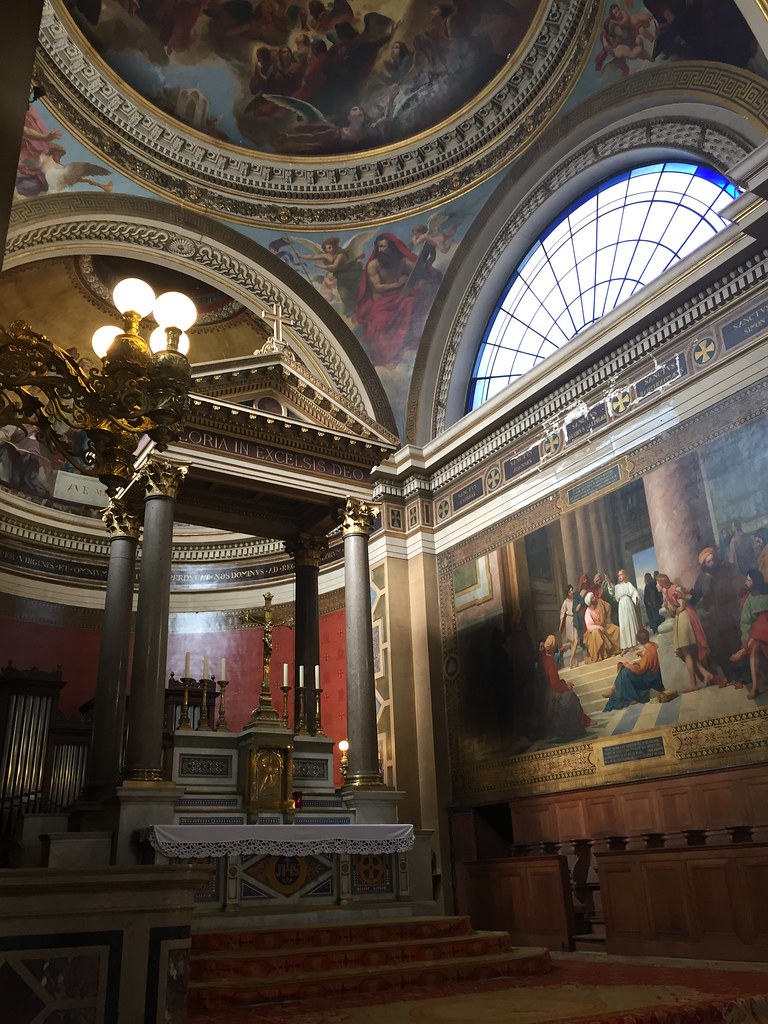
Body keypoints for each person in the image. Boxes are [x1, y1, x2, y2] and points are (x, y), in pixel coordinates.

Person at [355, 233, 441, 360]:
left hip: (401, 295)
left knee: (415, 297)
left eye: (383, 246)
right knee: (381, 320)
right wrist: (398, 283)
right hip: (383, 302)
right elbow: (378, 287)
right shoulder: (374, 265)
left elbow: (421, 271)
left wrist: (431, 256)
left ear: (391, 247)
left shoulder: (402, 262)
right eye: (378, 247)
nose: (380, 250)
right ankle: (386, 354)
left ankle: (419, 337)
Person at [657, 572, 719, 692]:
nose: (656, 586)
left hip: (686, 618)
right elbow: (672, 613)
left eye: (657, 583)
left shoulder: (676, 588)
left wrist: (675, 607)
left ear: (661, 583)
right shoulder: (668, 593)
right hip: (680, 621)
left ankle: (694, 683)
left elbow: (681, 608)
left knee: (687, 652)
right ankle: (706, 675)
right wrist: (667, 604)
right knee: (687, 653)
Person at [540, 635, 595, 739]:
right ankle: (584, 721)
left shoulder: (545, 659)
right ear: (553, 647)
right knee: (571, 696)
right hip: (552, 696)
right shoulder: (550, 662)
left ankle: (585, 720)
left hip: (548, 692)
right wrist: (566, 686)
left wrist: (564, 683)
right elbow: (555, 685)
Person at [603, 627, 666, 711]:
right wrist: (641, 656)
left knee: (625, 672)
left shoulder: (648, 652)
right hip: (651, 674)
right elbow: (650, 661)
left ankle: (628, 697)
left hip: (651, 679)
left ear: (639, 641)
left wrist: (628, 665)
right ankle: (613, 689)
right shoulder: (654, 645)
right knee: (625, 669)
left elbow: (640, 670)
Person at [730, 568, 768, 700]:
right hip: (759, 637)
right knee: (754, 648)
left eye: (748, 579)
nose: (746, 582)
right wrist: (745, 640)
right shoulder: (749, 599)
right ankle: (755, 687)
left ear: (755, 581)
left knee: (763, 618)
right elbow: (745, 623)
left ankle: (742, 651)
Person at [583, 591, 621, 663]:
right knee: (596, 633)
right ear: (589, 602)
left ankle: (617, 649)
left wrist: (608, 619)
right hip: (594, 630)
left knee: (616, 629)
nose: (595, 598)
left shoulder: (599, 603)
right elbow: (589, 626)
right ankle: (602, 654)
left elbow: (608, 606)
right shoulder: (588, 612)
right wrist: (599, 627)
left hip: (605, 625)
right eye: (592, 598)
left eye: (594, 596)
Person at [613, 568, 641, 651]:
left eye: (621, 575)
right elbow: (612, 591)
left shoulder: (628, 584)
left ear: (624, 575)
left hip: (628, 603)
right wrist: (608, 582)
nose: (620, 577)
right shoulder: (617, 587)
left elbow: (633, 591)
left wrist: (637, 596)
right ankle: (626, 646)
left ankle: (633, 644)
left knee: (630, 622)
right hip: (621, 605)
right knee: (624, 624)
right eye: (618, 575)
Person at [559, 584, 578, 668]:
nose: (571, 592)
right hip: (569, 621)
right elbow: (562, 613)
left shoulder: (575, 599)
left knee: (576, 640)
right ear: (567, 593)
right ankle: (576, 661)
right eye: (570, 591)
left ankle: (571, 660)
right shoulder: (565, 602)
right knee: (573, 642)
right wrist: (561, 624)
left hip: (575, 619)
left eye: (572, 590)